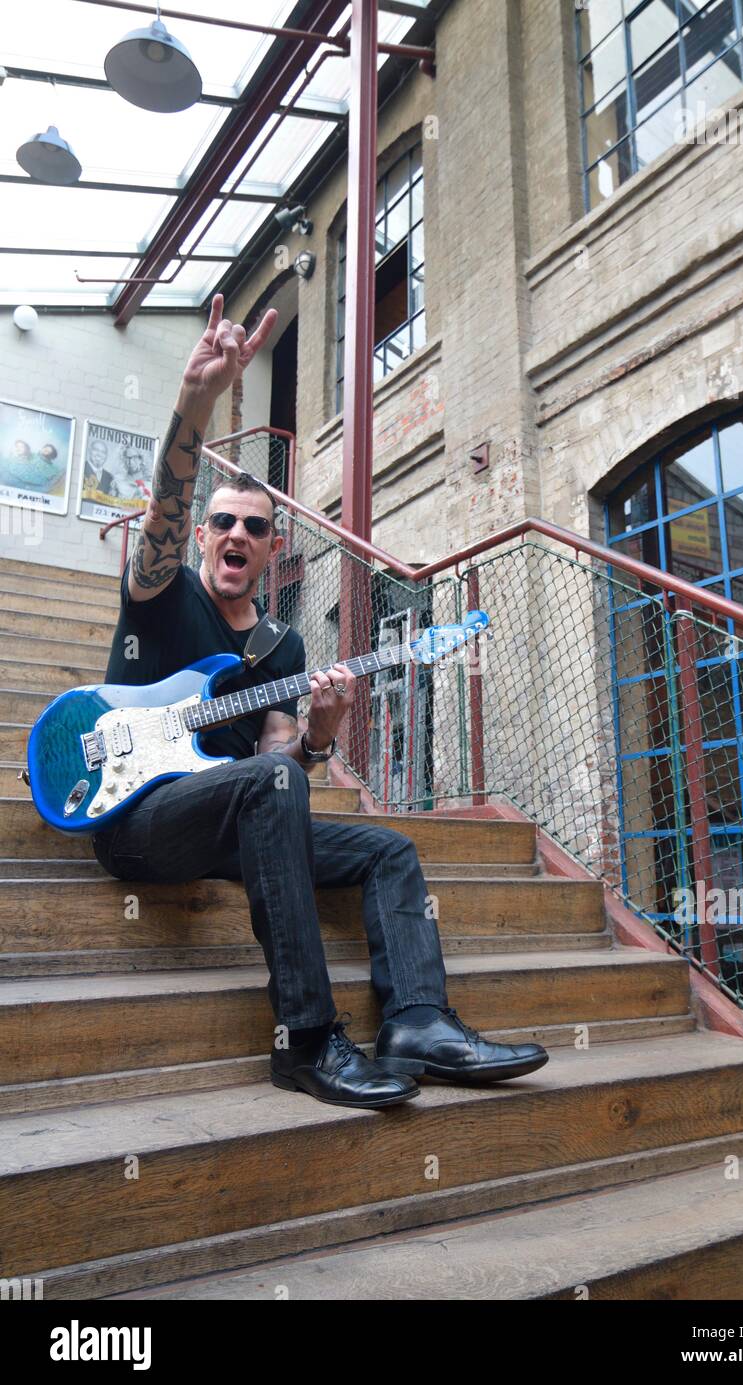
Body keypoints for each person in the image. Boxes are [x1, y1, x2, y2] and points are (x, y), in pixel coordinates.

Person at [90, 294, 548, 1110]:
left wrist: (319, 737)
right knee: (269, 789)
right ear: (201, 537)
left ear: (272, 547)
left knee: (388, 849)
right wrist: (197, 397)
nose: (233, 533)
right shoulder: (159, 594)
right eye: (220, 521)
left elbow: (278, 769)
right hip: (136, 820)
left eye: (252, 528)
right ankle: (305, 1042)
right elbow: (164, 501)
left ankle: (416, 1023)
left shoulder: (284, 648)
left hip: (226, 821)